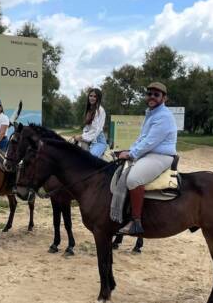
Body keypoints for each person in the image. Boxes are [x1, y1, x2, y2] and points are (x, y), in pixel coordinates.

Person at [117, 82, 177, 235]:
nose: (152, 97)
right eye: (149, 93)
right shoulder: (151, 113)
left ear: (164, 98)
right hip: (150, 153)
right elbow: (142, 138)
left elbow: (151, 141)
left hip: (161, 156)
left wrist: (131, 154)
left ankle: (136, 222)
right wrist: (129, 150)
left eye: (156, 94)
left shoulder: (163, 116)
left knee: (133, 179)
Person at [73, 88, 108, 157]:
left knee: (90, 160)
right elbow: (87, 127)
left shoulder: (100, 110)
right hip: (89, 140)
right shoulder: (90, 110)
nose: (92, 98)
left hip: (98, 141)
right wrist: (81, 136)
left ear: (98, 98)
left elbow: (95, 131)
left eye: (95, 96)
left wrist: (81, 137)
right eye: (90, 96)